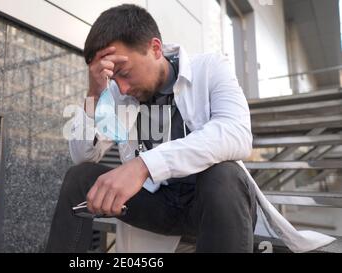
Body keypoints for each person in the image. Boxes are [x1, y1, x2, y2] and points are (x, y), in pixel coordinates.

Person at [45, 4, 335, 253]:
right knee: (81, 177)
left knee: (224, 172)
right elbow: (84, 156)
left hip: (212, 203)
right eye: (113, 79)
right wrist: (95, 92)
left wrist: (144, 165)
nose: (121, 87)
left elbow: (236, 133)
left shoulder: (210, 68)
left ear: (155, 48)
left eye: (124, 72)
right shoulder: (121, 96)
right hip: (159, 206)